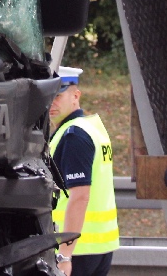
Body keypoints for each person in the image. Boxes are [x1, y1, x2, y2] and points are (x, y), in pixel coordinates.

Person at [49, 66, 120, 276]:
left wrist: (64, 255)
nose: (51, 103)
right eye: (48, 97)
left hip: (76, 251)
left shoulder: (74, 136)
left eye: (58, 96)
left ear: (75, 96)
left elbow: (79, 197)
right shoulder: (92, 128)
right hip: (98, 247)